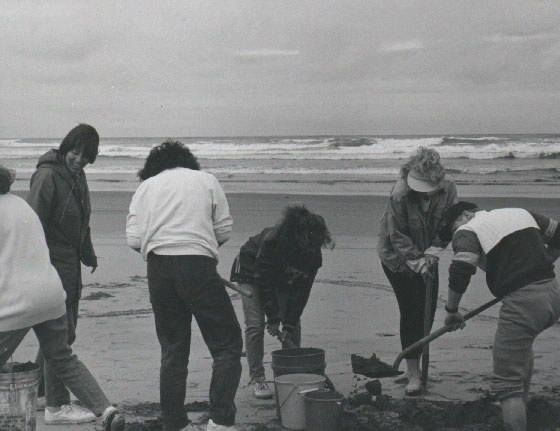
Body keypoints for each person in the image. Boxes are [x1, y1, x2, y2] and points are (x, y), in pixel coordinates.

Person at [126, 140, 242, 431]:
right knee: (226, 345)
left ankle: (175, 423)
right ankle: (220, 421)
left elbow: (134, 240)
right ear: (189, 161)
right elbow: (224, 230)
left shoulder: (146, 187)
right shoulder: (206, 181)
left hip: (158, 269)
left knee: (173, 349)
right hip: (198, 266)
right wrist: (202, 243)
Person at [0, 165, 125, 430]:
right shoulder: (21, 205)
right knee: (63, 359)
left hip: (16, 302)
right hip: (50, 294)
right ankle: (106, 411)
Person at [440, 201, 560, 431]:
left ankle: (515, 411)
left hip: (524, 303)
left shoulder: (468, 229)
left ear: (466, 214)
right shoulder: (520, 212)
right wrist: (538, 266)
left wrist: (452, 311)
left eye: (453, 228)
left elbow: (461, 269)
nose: (455, 235)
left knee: (506, 385)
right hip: (553, 293)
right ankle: (520, 409)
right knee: (521, 348)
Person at [26, 123, 100, 422]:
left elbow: (83, 221)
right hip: (51, 265)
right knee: (60, 336)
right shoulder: (47, 176)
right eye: (75, 152)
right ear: (66, 146)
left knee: (63, 332)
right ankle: (57, 405)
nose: (79, 160)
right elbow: (32, 224)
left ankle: (40, 392)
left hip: (70, 265)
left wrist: (88, 253)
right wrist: (38, 266)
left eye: (86, 156)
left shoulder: (77, 177)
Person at [230, 205, 334, 399]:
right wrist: (273, 317)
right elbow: (264, 281)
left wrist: (287, 321)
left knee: (293, 325)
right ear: (299, 236)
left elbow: (301, 292)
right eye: (309, 244)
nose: (312, 249)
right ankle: (257, 377)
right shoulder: (273, 242)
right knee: (255, 324)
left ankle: (292, 374)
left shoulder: (313, 254)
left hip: (281, 275)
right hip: (250, 269)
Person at [377, 146, 458, 395]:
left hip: (429, 252)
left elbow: (450, 223)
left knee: (429, 309)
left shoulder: (448, 189)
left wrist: (434, 252)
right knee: (411, 309)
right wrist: (417, 261)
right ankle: (412, 371)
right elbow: (397, 235)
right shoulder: (400, 193)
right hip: (397, 259)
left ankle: (418, 364)